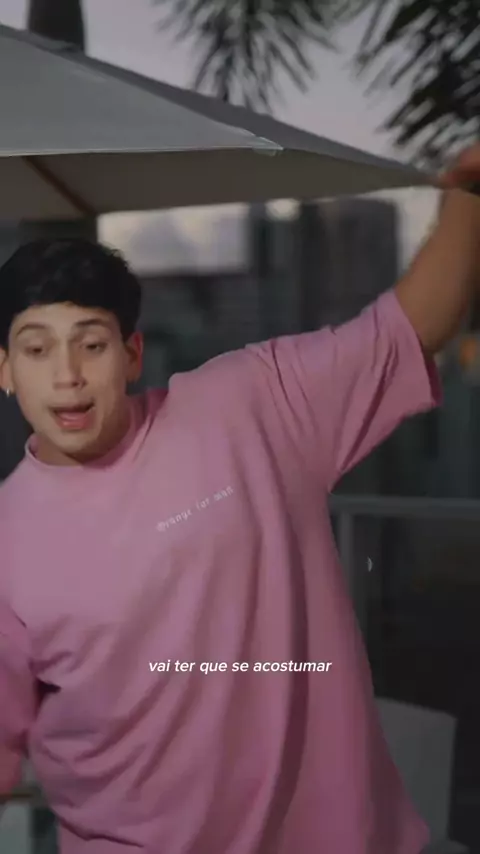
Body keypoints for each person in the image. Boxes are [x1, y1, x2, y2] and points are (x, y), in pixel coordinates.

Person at [0, 146, 479, 854]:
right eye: (37, 350)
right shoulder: (6, 536)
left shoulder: (250, 404)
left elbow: (411, 330)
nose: (66, 376)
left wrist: (468, 194)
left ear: (131, 354)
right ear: (5, 370)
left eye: (91, 345)